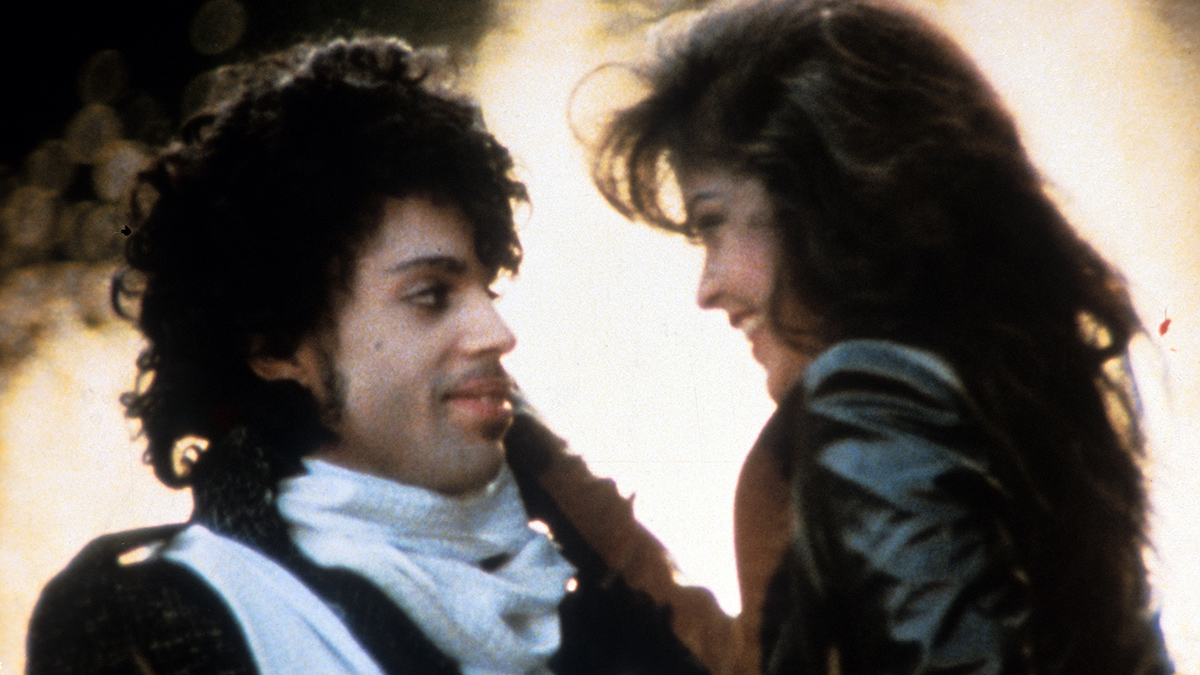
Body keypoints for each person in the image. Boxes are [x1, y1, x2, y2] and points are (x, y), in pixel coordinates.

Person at [25, 35, 705, 675]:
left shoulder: (570, 595)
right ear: (276, 344)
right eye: (431, 295)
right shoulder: (163, 619)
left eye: (485, 286)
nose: (497, 330)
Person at [585, 1, 1176, 674]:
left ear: (817, 200)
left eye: (713, 224)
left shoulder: (870, 397)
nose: (708, 286)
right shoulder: (1008, 409)